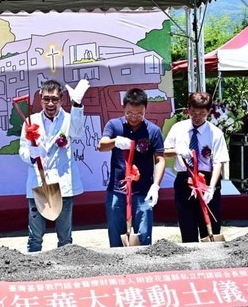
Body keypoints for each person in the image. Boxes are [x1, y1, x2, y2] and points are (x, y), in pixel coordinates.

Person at [19, 79, 89, 252]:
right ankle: (33, 272)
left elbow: (77, 132)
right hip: (38, 183)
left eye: (55, 99)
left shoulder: (68, 119)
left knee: (65, 237)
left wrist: (77, 105)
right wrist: (31, 156)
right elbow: (22, 149)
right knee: (35, 236)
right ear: (40, 99)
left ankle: (66, 273)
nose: (50, 103)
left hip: (63, 183)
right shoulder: (30, 121)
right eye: (46, 99)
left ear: (62, 99)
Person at [98, 88, 165, 246]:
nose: (134, 118)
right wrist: (115, 141)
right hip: (117, 190)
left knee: (143, 237)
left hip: (143, 191)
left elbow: (160, 159)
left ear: (145, 110)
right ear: (123, 108)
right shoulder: (114, 125)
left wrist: (156, 186)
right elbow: (101, 146)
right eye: (129, 113)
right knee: (116, 236)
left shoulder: (153, 131)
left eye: (139, 114)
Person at [164, 92, 230, 243]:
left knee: (210, 227)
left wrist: (211, 188)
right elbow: (164, 152)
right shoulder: (178, 128)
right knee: (187, 227)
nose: (197, 116)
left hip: (207, 180)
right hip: (185, 180)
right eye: (193, 112)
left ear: (209, 112)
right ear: (188, 110)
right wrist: (177, 151)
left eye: (202, 113)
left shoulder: (215, 133)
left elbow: (218, 162)